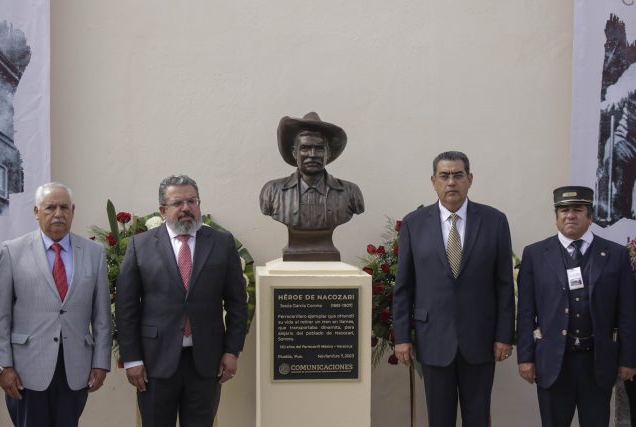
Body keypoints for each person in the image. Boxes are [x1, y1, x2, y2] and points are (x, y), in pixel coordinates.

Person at [392, 151, 515, 427]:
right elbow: (404, 286)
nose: (451, 182)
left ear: (469, 179)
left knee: (478, 418)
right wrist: (402, 337)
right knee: (439, 419)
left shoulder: (494, 221)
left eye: (458, 175)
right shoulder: (414, 223)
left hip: (481, 340)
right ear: (433, 181)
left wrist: (505, 335)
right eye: (444, 176)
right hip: (433, 339)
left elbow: (504, 285)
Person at [115, 175, 248, 427]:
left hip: (206, 363)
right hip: (155, 363)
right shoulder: (140, 245)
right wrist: (132, 359)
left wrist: (232, 350)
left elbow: (237, 303)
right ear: (163, 210)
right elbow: (126, 308)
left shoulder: (221, 243)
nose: (186, 208)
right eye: (178, 203)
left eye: (192, 201)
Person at [516, 185, 636, 426]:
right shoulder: (535, 254)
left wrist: (628, 359)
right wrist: (525, 357)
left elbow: (627, 313)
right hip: (553, 364)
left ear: (590, 216)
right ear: (557, 217)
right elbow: (526, 312)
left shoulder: (616, 254)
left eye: (577, 209)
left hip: (597, 363)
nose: (570, 215)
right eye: (563, 210)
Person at [0, 182, 111, 427]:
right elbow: (0, 317)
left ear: (73, 210)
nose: (58, 213)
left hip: (75, 369)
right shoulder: (12, 252)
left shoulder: (94, 253)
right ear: (36, 211)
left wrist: (101, 362)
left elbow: (102, 316)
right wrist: (2, 366)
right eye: (50, 207)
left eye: (64, 207)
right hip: (26, 371)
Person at [259, 112, 364, 260]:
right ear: (294, 152)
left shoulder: (351, 192)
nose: (312, 154)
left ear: (328, 153)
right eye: (305, 148)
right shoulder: (272, 191)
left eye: (320, 149)